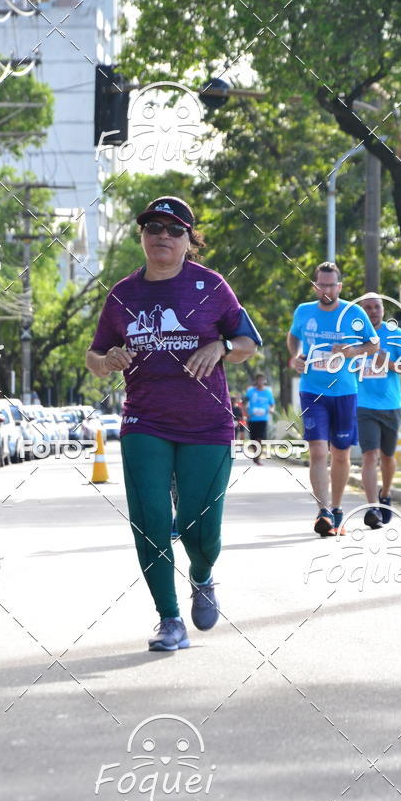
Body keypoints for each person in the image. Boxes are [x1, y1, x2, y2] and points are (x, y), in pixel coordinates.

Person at [86, 196, 261, 651]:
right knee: (150, 519)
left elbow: (248, 341)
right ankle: (169, 619)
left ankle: (202, 575)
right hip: (145, 420)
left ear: (189, 241)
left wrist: (220, 347)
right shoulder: (123, 294)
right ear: (142, 237)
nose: (162, 235)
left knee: (200, 530)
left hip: (206, 424)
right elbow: (95, 354)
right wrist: (108, 360)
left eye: (173, 229)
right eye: (153, 227)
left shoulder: (211, 286)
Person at [287, 262, 379, 536]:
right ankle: (323, 510)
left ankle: (337, 509)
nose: (326, 289)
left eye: (331, 285)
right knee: (317, 451)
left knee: (341, 454)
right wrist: (296, 356)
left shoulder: (354, 312)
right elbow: (293, 337)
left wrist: (351, 350)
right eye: (322, 284)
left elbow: (373, 344)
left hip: (345, 392)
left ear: (339, 286)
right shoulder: (304, 312)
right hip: (312, 390)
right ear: (315, 286)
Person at [357, 293, 401, 528]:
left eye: (376, 307)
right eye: (367, 308)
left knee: (387, 457)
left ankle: (386, 493)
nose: (372, 311)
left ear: (383, 310)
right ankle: (373, 508)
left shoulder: (396, 335)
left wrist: (387, 363)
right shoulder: (355, 336)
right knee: (369, 456)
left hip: (391, 404)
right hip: (363, 405)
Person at [244, 373, 275, 465]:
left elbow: (272, 404)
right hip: (252, 419)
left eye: (262, 380)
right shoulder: (251, 391)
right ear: (256, 381)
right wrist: (246, 413)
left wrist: (271, 410)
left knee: (260, 438)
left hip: (263, 419)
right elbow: (243, 403)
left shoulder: (268, 392)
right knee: (253, 439)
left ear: (264, 381)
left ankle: (257, 457)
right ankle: (255, 453)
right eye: (259, 380)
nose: (260, 382)